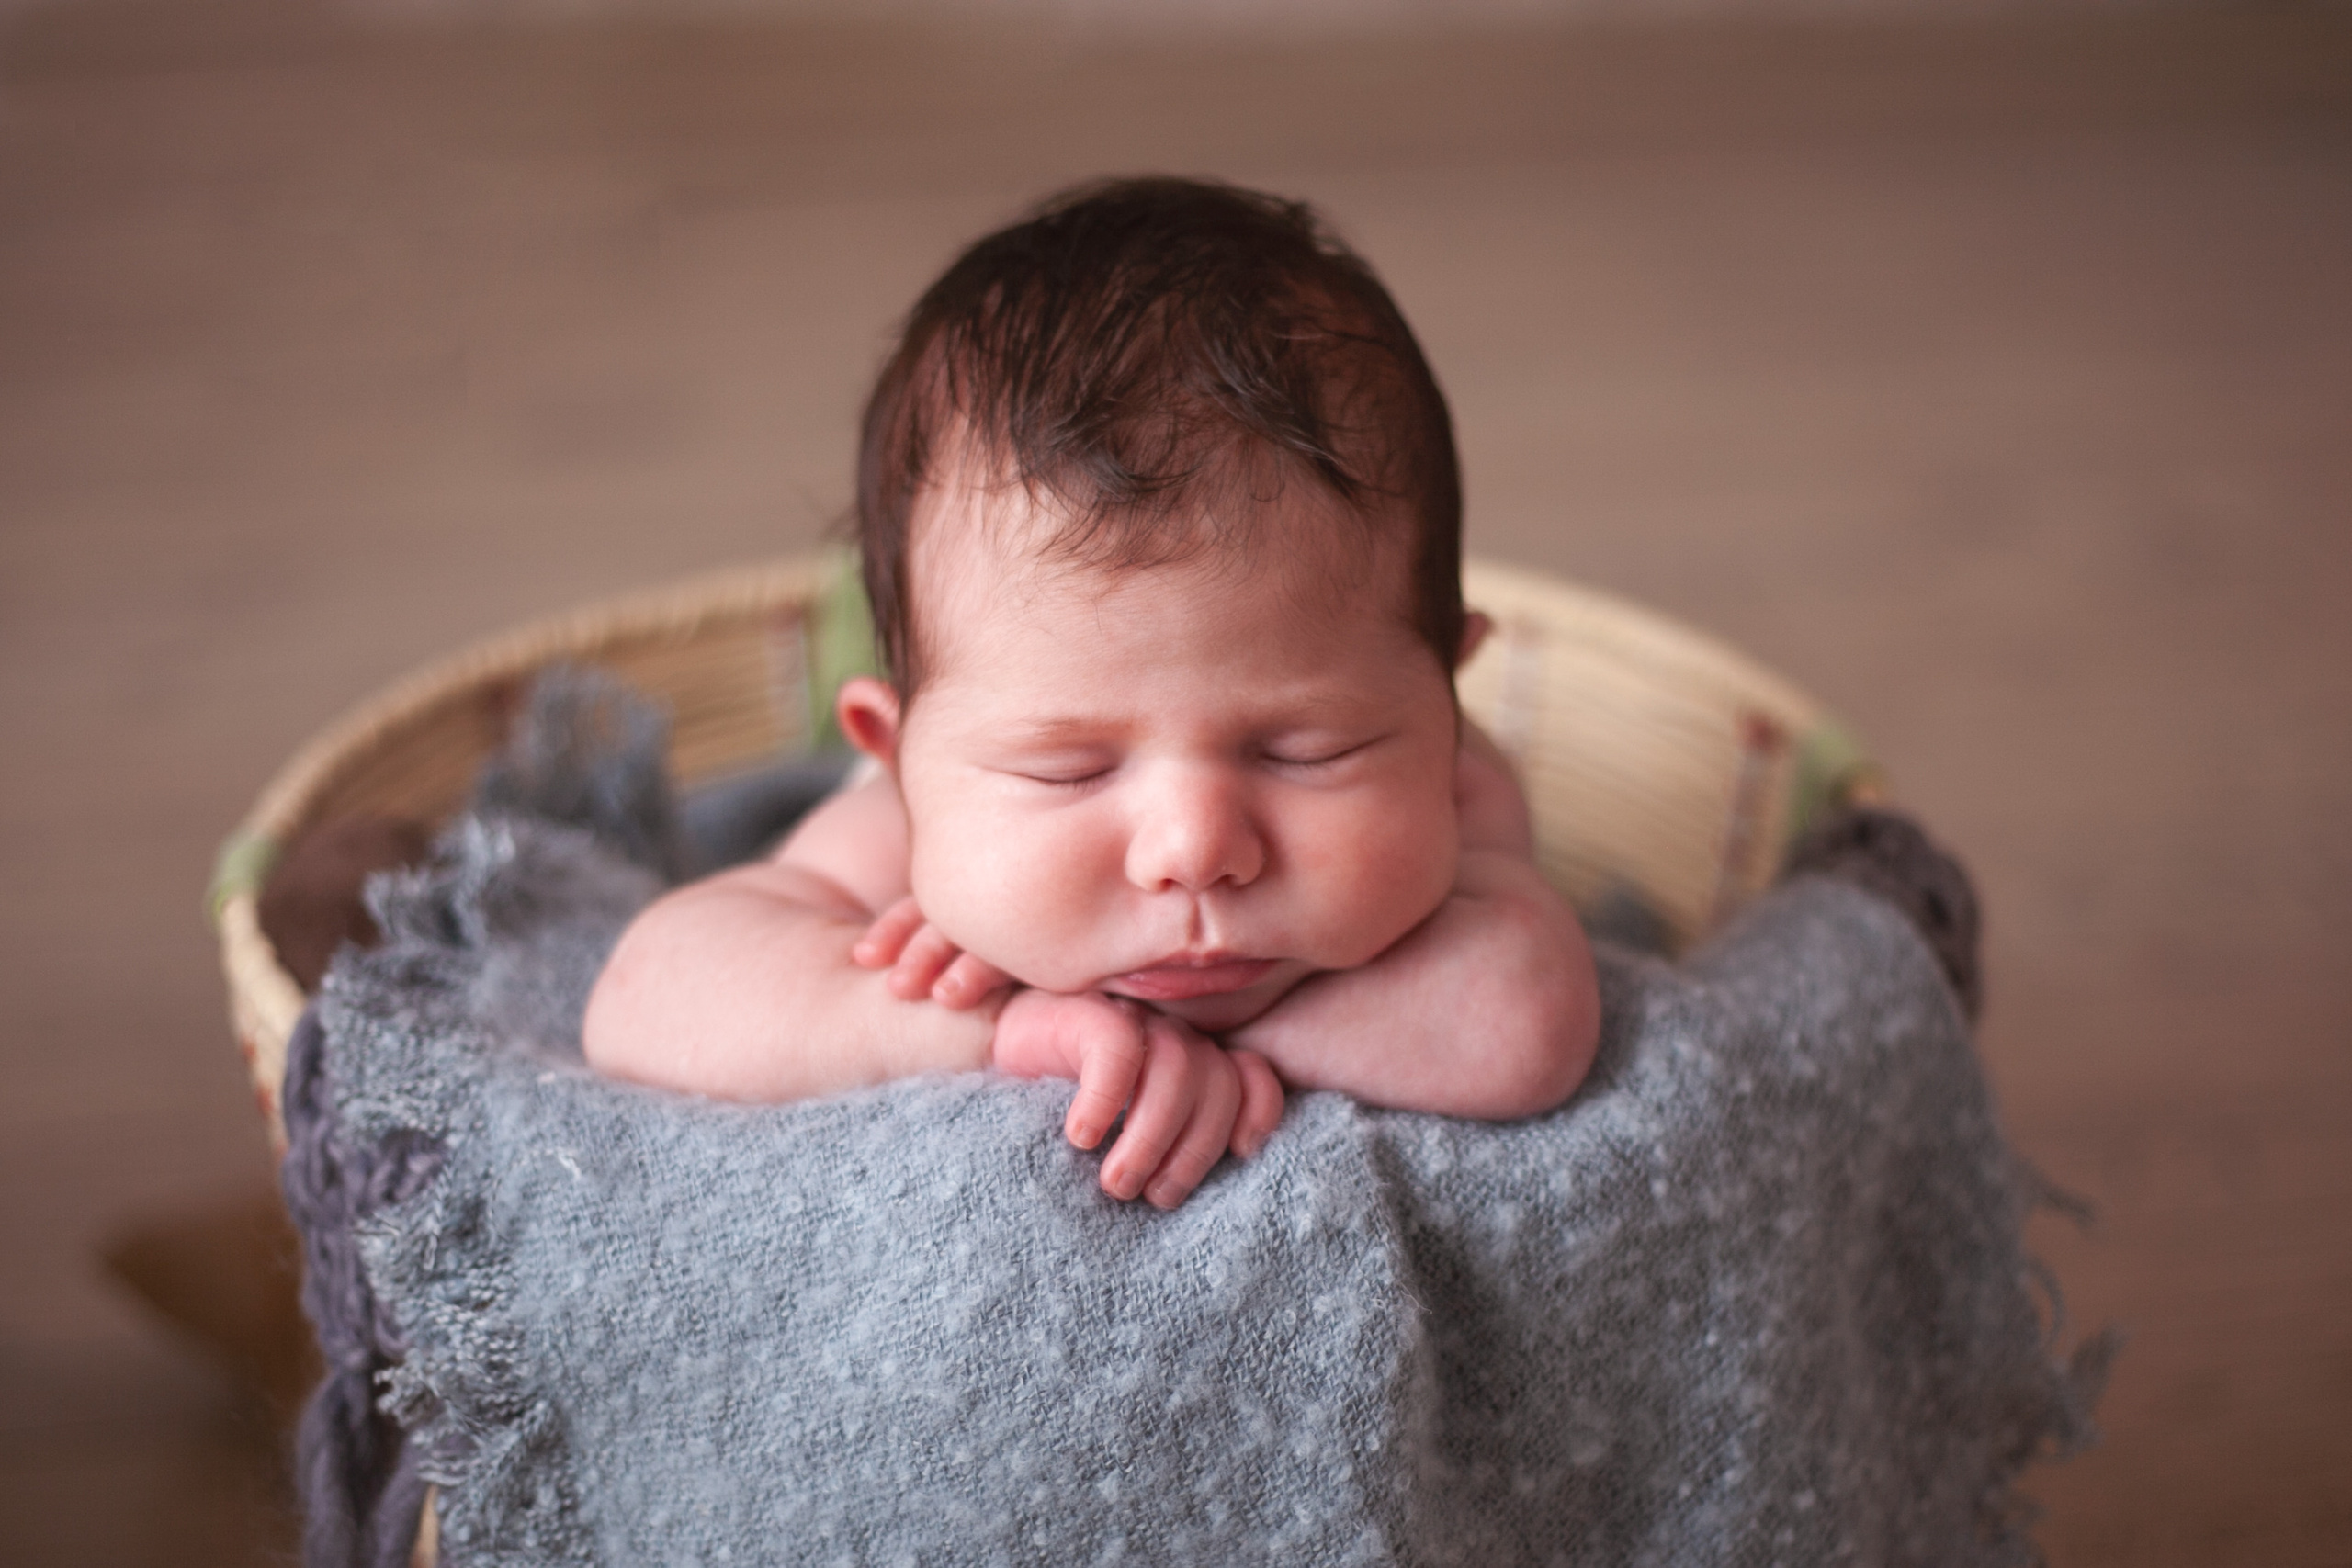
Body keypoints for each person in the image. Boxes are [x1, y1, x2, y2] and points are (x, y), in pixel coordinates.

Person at [583, 177, 1600, 1208]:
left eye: (1305, 752)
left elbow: (1526, 1020)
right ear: (896, 755)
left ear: (1444, 701)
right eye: (1068, 770)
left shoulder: (1456, 784)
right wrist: (991, 1029)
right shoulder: (892, 831)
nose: (1193, 849)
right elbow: (643, 998)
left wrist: (1234, 1044)